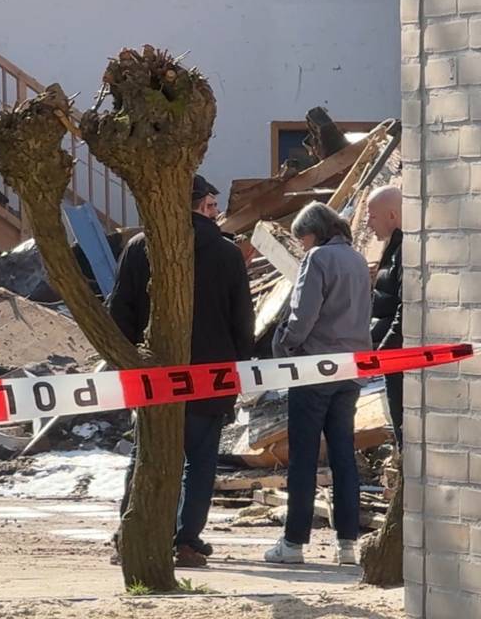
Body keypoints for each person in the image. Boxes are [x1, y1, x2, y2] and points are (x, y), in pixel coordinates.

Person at [109, 174, 255, 568]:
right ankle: (187, 540)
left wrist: (126, 365)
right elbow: (243, 320)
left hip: (152, 375)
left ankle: (131, 534)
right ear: (201, 203)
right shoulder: (226, 253)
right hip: (210, 376)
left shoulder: (140, 247)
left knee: (146, 455)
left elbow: (119, 312)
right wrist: (240, 369)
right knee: (200, 461)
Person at [263, 202, 371, 566]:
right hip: (350, 370)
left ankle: (293, 543)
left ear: (314, 232)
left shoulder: (318, 259)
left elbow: (303, 315)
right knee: (343, 456)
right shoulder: (356, 259)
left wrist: (285, 345)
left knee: (304, 458)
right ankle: (347, 544)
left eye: (302, 239)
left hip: (313, 369)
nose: (302, 247)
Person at [366, 185, 403, 448]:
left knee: (404, 427)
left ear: (391, 215)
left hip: (399, 359)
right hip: (391, 358)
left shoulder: (404, 250)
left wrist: (387, 347)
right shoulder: (392, 247)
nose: (367, 224)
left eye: (372, 216)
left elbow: (405, 305)